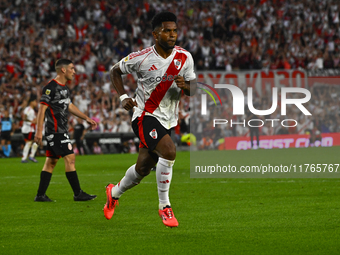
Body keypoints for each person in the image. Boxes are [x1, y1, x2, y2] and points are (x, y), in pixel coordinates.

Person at [104, 12, 196, 228]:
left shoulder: (185, 57)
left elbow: (193, 89)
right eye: (167, 30)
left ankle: (114, 192)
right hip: (144, 115)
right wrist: (124, 96)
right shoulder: (141, 57)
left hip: (168, 120)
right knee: (169, 151)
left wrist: (186, 86)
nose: (172, 35)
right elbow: (115, 71)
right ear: (156, 34)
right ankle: (165, 206)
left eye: (174, 30)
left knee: (143, 169)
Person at [34, 59, 98, 202]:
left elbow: (69, 105)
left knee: (51, 162)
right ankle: (78, 193)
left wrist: (85, 117)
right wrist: (38, 131)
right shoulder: (50, 87)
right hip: (55, 130)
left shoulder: (65, 89)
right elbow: (41, 110)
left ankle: (40, 195)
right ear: (63, 70)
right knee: (70, 158)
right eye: (72, 68)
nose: (74, 72)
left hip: (61, 130)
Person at [21, 95, 39, 163]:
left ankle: (29, 156)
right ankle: (26, 157)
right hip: (28, 129)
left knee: (33, 142)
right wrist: (31, 121)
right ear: (31, 102)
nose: (36, 103)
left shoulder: (32, 110)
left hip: (31, 129)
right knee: (30, 142)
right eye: (35, 102)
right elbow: (24, 117)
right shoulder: (28, 109)